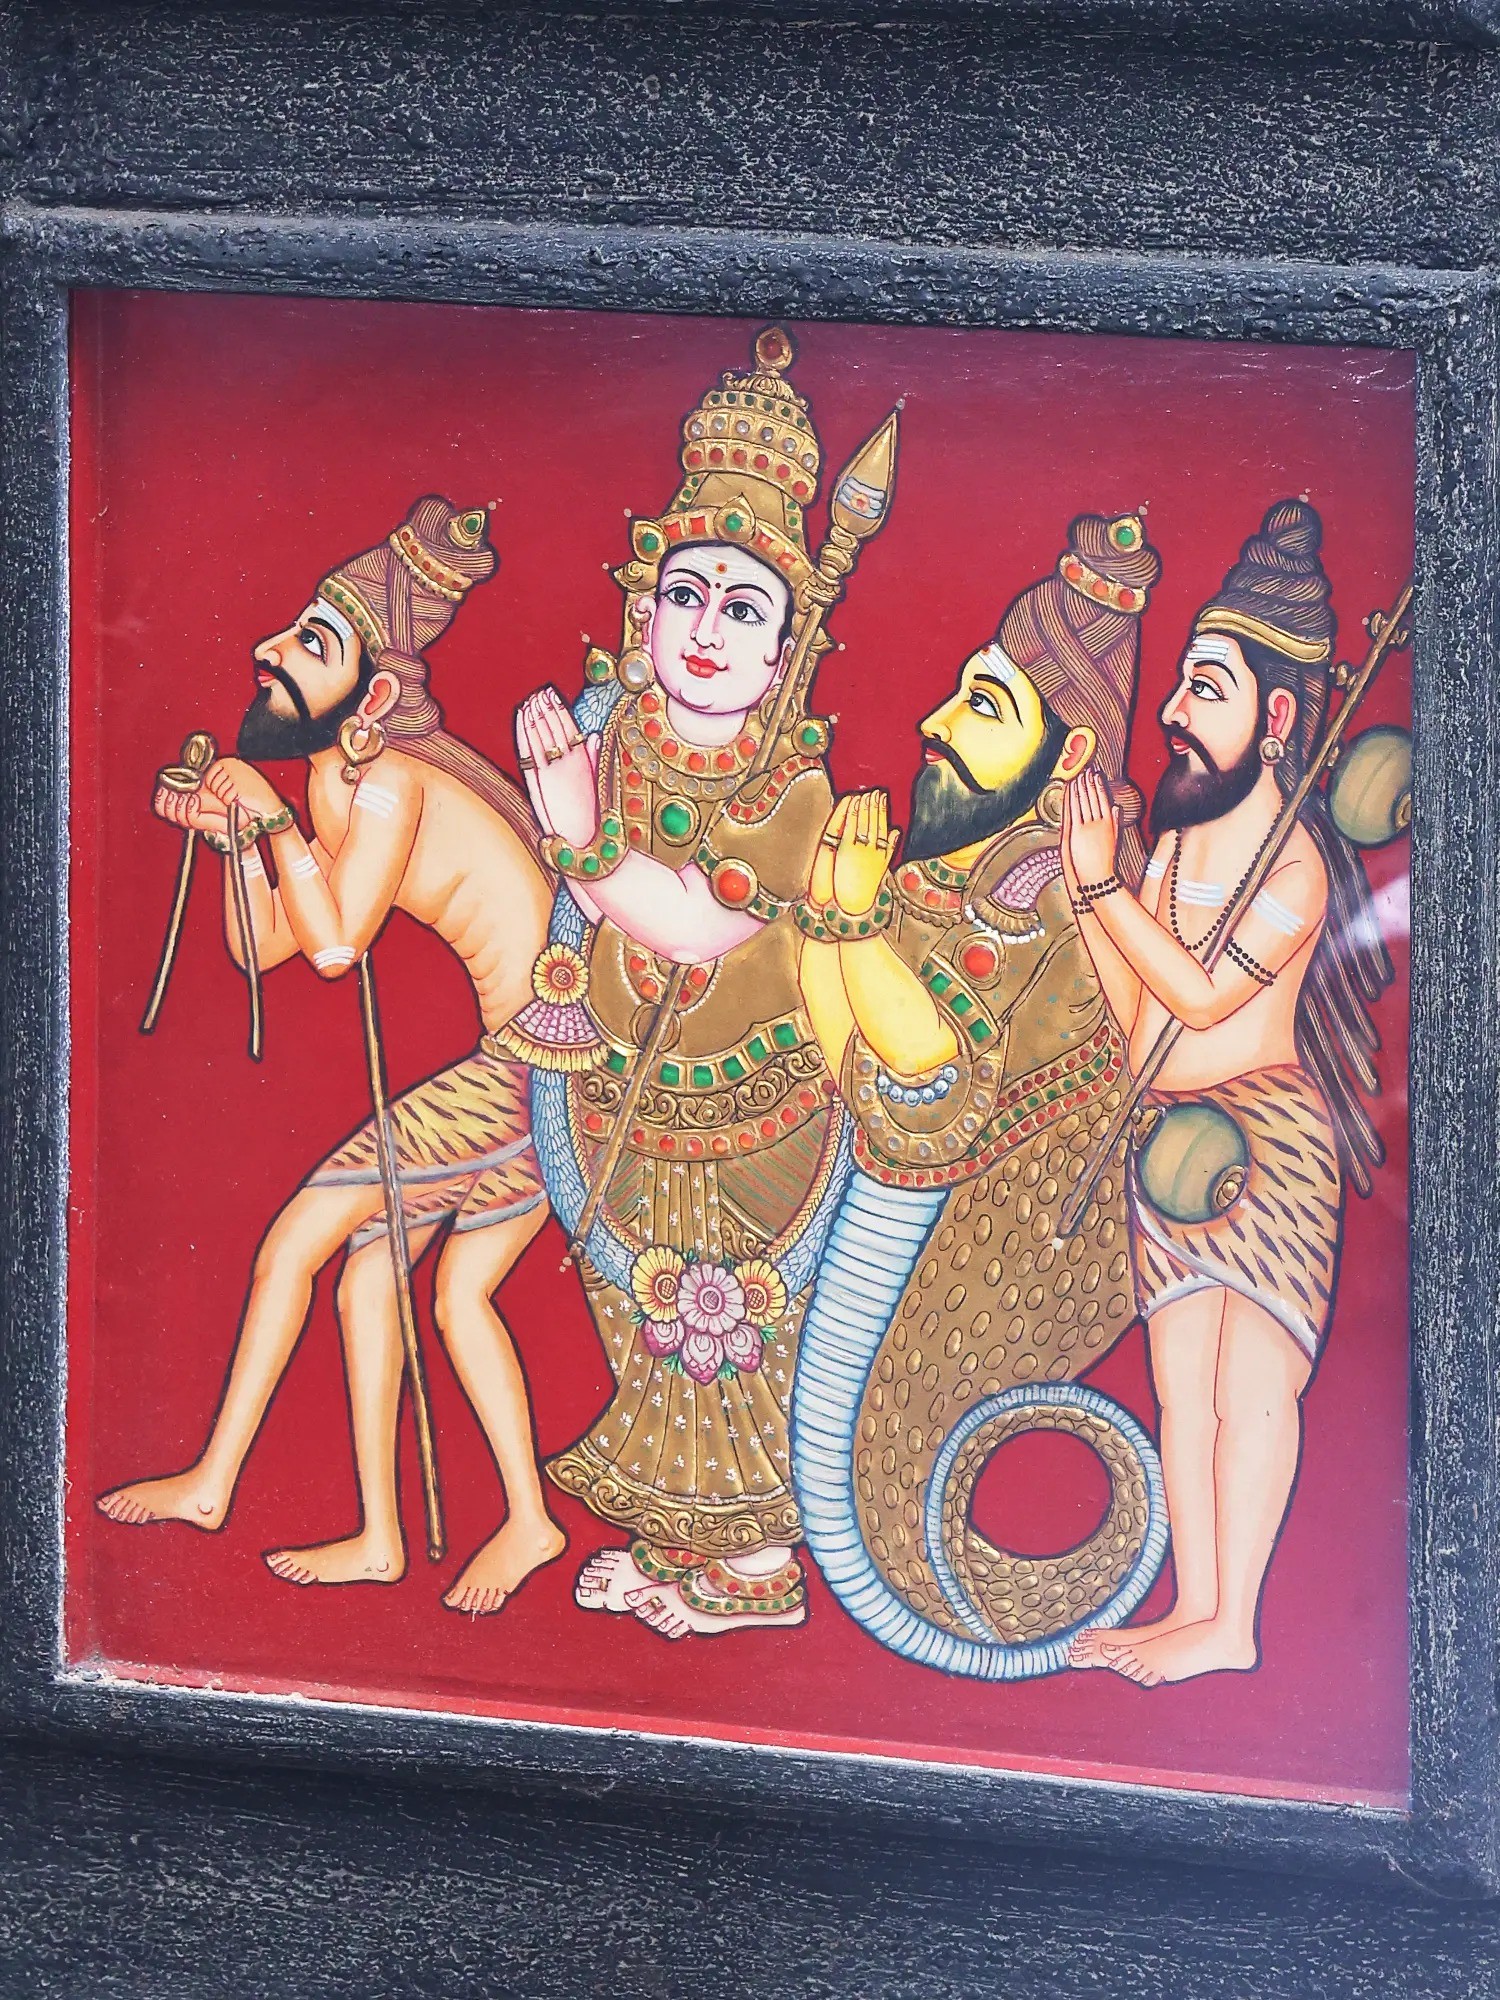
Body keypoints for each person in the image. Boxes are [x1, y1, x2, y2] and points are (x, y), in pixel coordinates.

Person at [98, 497, 566, 1615]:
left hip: (534, 1068)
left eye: (312, 643)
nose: (269, 650)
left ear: (376, 697)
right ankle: (429, 1529)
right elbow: (269, 944)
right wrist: (238, 843)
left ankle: (216, 1483)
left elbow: (338, 943)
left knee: (297, 1245)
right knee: (408, 1288)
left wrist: (267, 824)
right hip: (536, 1068)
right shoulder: (337, 782)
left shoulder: (393, 780)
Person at [513, 328, 855, 1638]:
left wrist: (578, 833)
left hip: (754, 1112)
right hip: (617, 1088)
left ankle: (756, 1570)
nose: (707, 630)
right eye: (686, 594)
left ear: (782, 656)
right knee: (639, 1316)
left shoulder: (793, 789)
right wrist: (574, 803)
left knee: (727, 1327)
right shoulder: (615, 736)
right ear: (643, 608)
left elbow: (698, 927)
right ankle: (679, 1543)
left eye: (744, 609)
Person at [791, 514, 1167, 1669]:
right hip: (896, 1227)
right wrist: (835, 916)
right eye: (961, 692)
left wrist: (849, 923)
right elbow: (854, 1065)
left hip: (985, 1256)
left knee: (871, 1504)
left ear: (1067, 753)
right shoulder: (952, 864)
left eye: (984, 706)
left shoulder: (1049, 898)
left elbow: (936, 1089)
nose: (936, 723)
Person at [1065, 498, 1393, 1685]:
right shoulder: (1173, 847)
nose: (1172, 711)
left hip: (1264, 1141)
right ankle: (1195, 1605)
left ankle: (1236, 1620)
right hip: (1167, 1138)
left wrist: (1103, 892)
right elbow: (1142, 1021)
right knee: (1180, 1389)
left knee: (1249, 1387)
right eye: (1182, 685)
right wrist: (1093, 889)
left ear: (1280, 715)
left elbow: (1203, 1002)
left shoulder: (1295, 864)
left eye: (1205, 687)